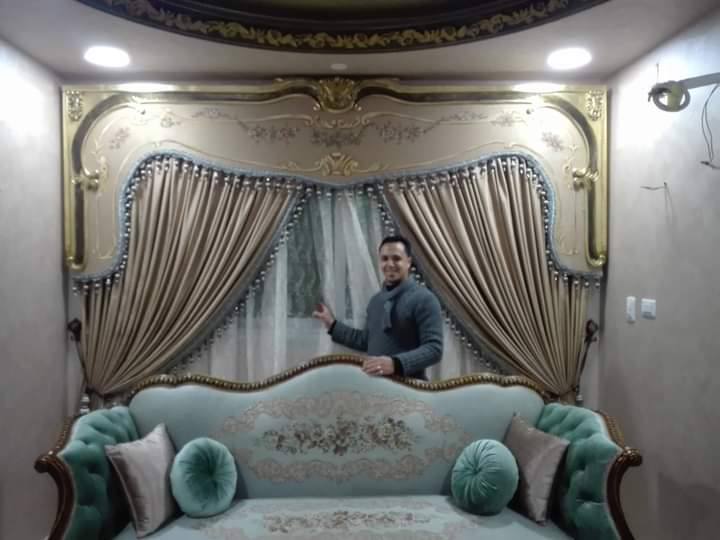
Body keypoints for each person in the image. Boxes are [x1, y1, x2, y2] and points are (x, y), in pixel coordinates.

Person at [312, 235, 443, 379]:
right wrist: (332, 325)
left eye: (396, 258)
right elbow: (365, 340)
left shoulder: (425, 299)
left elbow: (434, 349)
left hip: (410, 388)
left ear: (408, 262)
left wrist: (395, 363)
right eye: (385, 259)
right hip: (374, 387)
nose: (390, 264)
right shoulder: (376, 301)